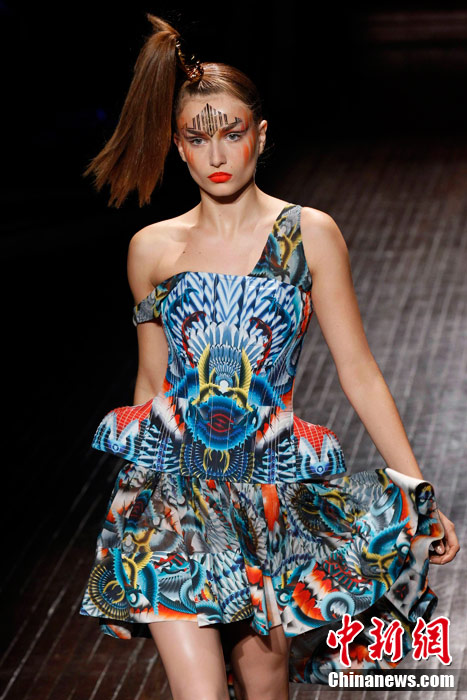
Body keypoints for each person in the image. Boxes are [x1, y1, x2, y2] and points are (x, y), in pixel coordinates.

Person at [79, 13, 459, 700]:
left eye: (231, 133)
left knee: (265, 683)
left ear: (260, 134)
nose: (216, 153)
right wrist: (130, 511)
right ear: (178, 147)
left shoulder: (308, 234)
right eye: (198, 138)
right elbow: (150, 382)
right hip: (173, 502)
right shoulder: (152, 250)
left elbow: (358, 370)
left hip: (267, 500)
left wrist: (416, 491)